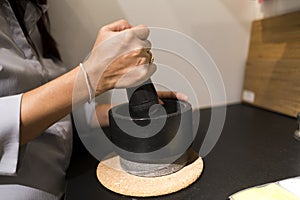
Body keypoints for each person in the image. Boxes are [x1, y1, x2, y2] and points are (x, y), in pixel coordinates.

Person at [0, 0, 188, 199]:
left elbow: (47, 112)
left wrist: (126, 112)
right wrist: (91, 77)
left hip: (69, 174)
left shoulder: (24, 9)